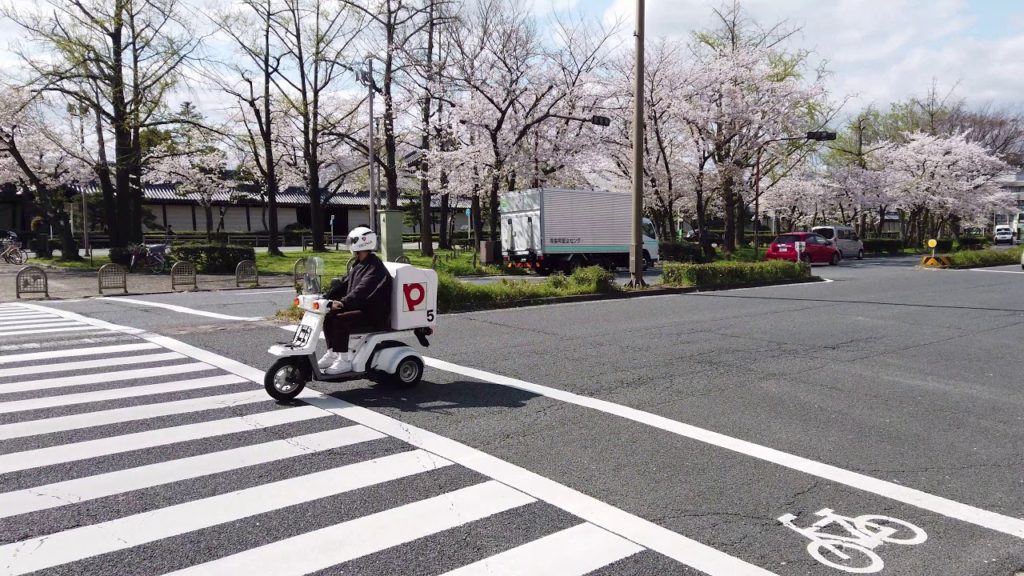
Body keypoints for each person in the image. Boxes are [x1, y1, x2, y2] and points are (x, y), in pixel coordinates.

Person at [318, 226, 392, 374]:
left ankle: (344, 361)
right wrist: (326, 298)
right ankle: (332, 354)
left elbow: (362, 291)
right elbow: (344, 284)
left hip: (373, 314)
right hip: (360, 308)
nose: (350, 245)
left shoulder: (375, 268)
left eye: (352, 241)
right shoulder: (358, 264)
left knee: (340, 320)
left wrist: (343, 303)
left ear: (362, 243)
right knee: (328, 315)